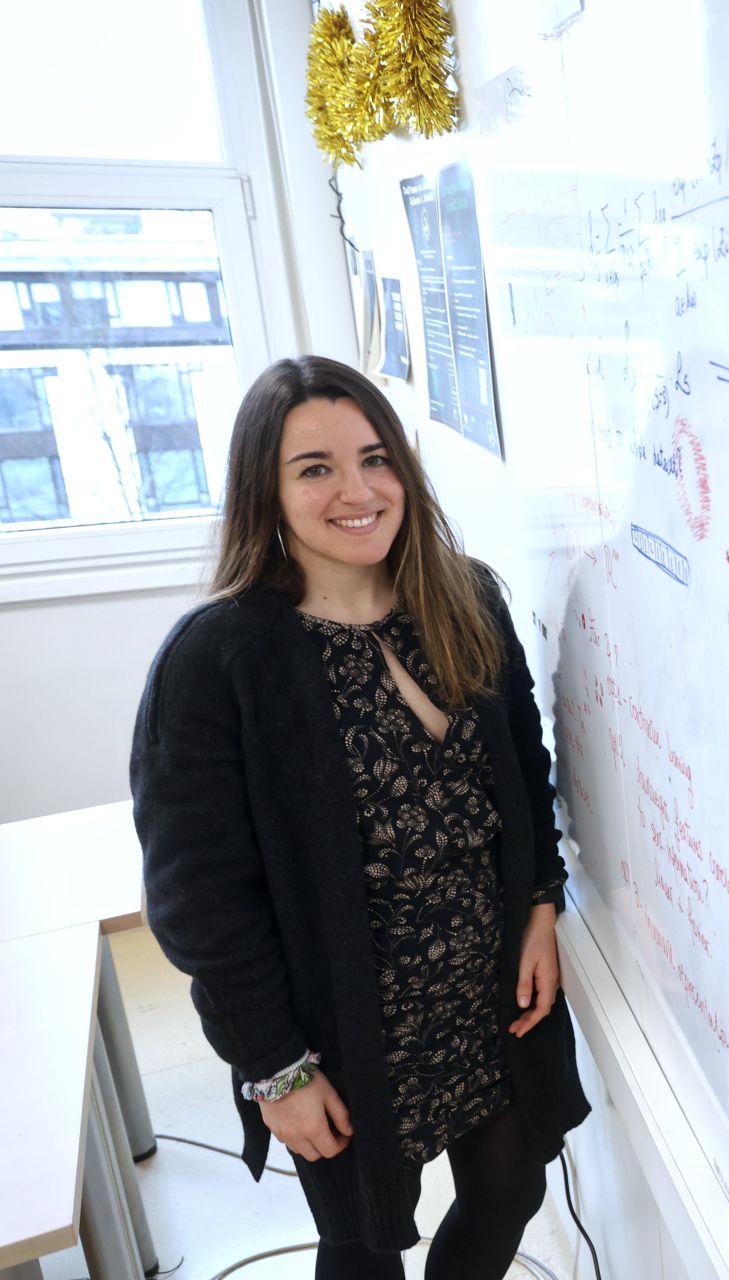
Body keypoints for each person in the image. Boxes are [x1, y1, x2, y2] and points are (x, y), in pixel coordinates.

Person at [131, 355, 590, 1279]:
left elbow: (525, 765)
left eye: (376, 458)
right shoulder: (220, 658)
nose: (358, 490)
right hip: (339, 1023)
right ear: (265, 489)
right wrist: (277, 1070)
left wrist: (542, 899)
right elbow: (200, 902)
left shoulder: (465, 596)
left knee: (513, 1189)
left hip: (490, 991)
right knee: (363, 1241)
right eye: (316, 469)